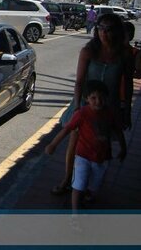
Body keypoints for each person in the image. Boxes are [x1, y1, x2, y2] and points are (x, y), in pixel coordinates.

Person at [51, 13, 133, 195]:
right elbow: (79, 81)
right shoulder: (88, 51)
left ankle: (92, 184)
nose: (104, 33)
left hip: (108, 105)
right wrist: (79, 107)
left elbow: (127, 84)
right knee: (75, 141)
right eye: (101, 29)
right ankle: (68, 179)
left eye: (109, 29)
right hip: (85, 104)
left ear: (117, 32)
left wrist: (126, 109)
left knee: (102, 143)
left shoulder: (125, 54)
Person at [46, 80, 126, 213]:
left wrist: (123, 148)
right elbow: (67, 129)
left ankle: (87, 196)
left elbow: (118, 131)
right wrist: (53, 144)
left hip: (102, 157)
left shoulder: (110, 113)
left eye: (101, 97)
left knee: (94, 185)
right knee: (78, 186)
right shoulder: (82, 114)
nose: (98, 101)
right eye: (93, 98)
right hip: (82, 156)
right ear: (86, 99)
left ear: (106, 98)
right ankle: (75, 213)